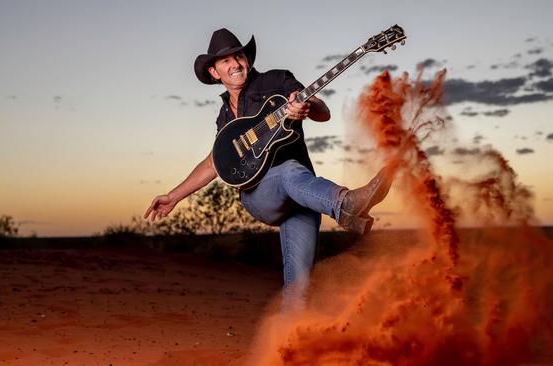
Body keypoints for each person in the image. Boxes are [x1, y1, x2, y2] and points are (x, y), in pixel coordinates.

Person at [144, 28, 392, 309]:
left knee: (299, 290)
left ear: (246, 60)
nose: (235, 63)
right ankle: (344, 203)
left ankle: (286, 347)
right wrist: (173, 196)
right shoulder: (225, 117)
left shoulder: (275, 81)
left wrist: (306, 104)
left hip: (303, 198)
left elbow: (323, 113)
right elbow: (215, 162)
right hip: (261, 196)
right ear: (215, 73)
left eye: (238, 56)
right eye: (225, 61)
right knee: (288, 170)